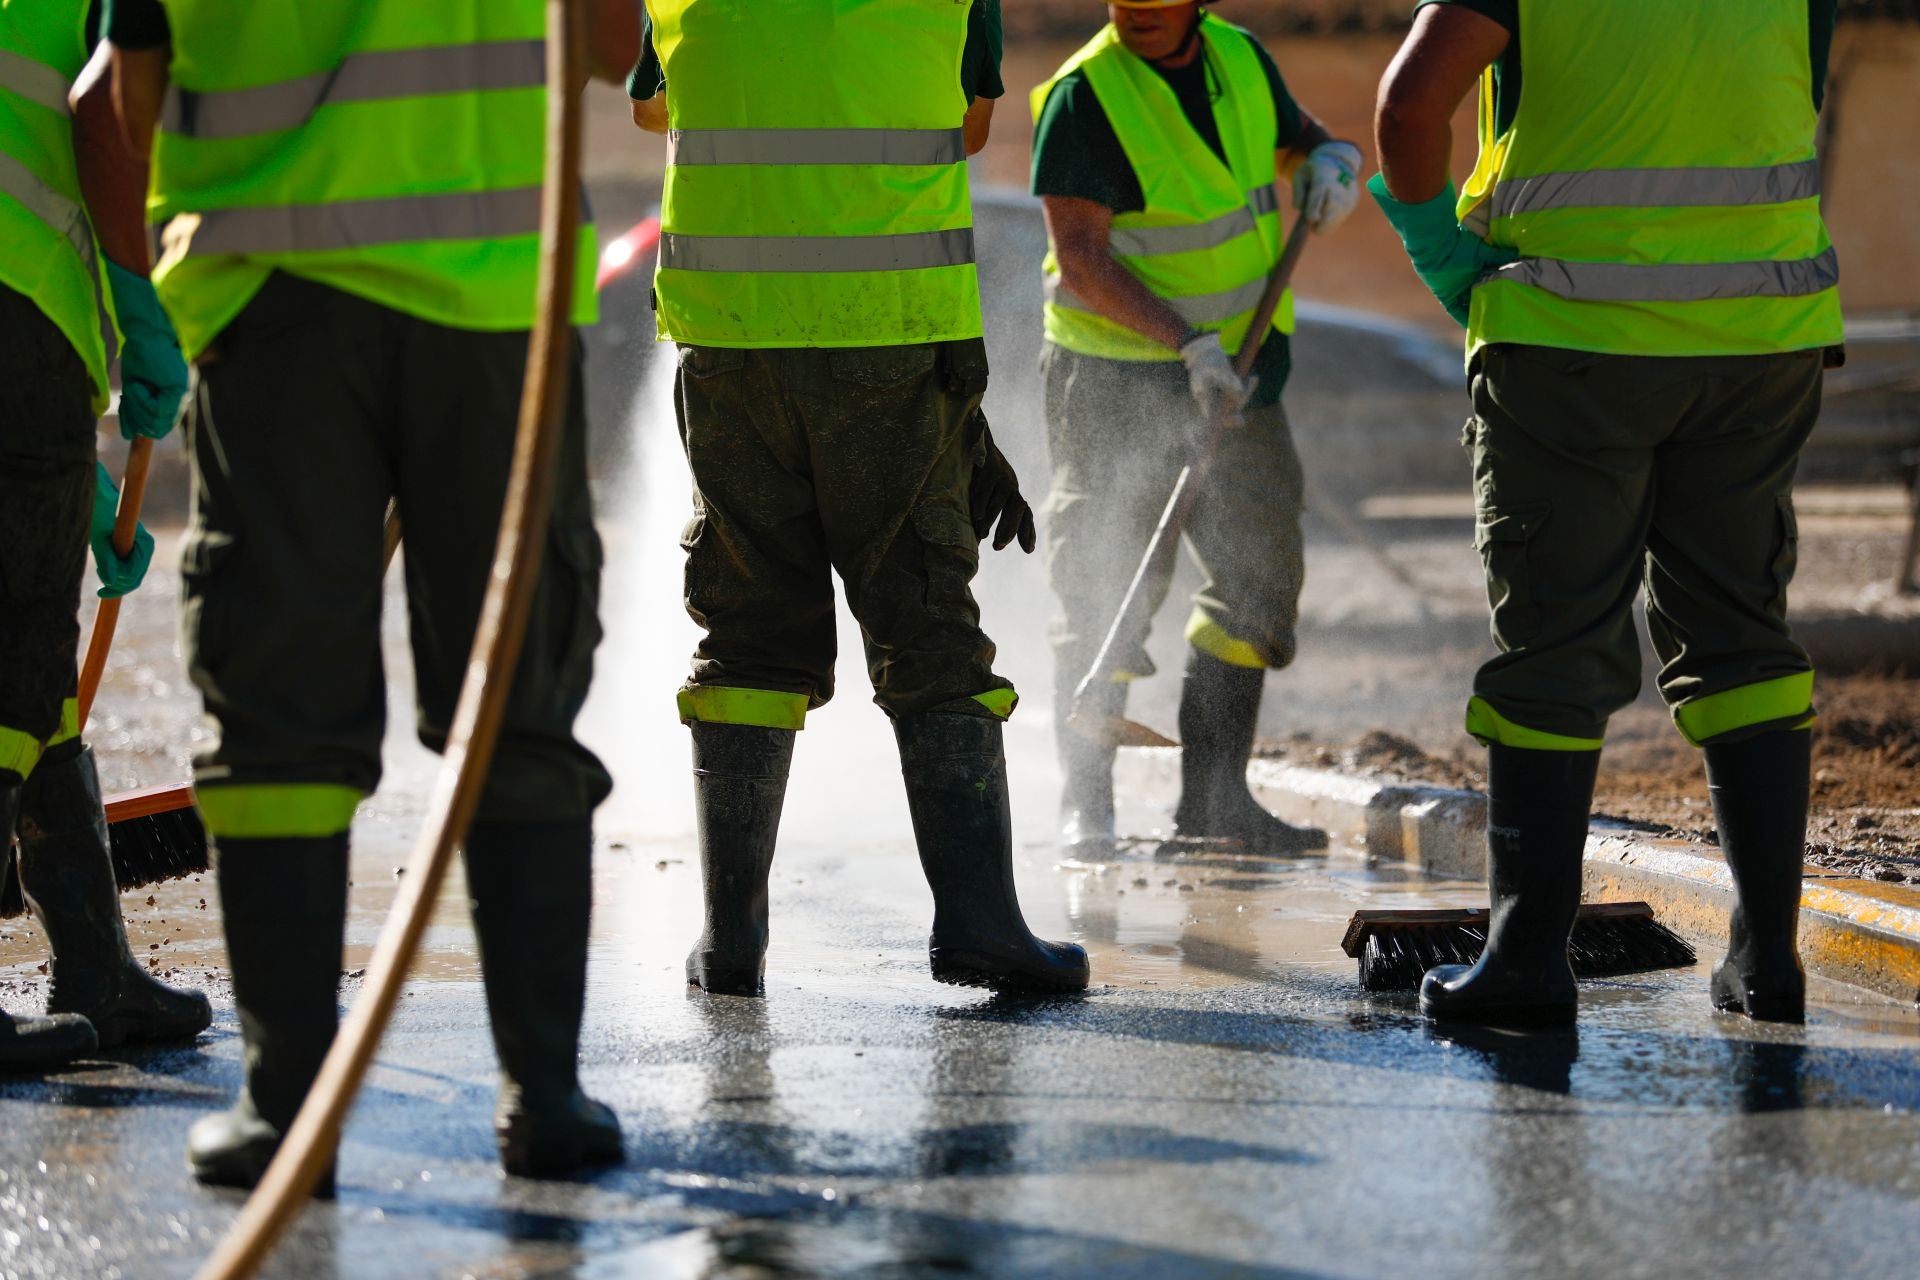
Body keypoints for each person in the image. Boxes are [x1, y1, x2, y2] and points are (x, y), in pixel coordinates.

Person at [105, 0, 640, 1183]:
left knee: (277, 690)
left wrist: (151, 284)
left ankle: (287, 1106)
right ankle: (543, 1096)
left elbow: (128, 95)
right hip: (496, 307)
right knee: (516, 683)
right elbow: (612, 45)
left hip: (274, 302)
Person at [1371, 0, 1842, 1026]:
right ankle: (1768, 961)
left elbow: (1411, 106)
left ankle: (1528, 959)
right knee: (1741, 637)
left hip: (1570, 338)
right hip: (1760, 336)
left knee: (1555, 642)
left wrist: (1432, 239)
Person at [629, 0, 1090, 997]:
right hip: (884, 332)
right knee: (926, 617)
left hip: (733, 338)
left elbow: (651, 111)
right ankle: (979, 919)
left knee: (748, 629)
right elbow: (967, 127)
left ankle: (733, 940)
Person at [1031, 1, 1364, 858]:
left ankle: (1215, 804)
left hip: (1242, 378)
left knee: (1258, 579)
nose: (1139, 12)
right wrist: (1186, 342)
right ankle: (1088, 810)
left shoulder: (1240, 58)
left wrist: (1331, 161)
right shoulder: (1085, 96)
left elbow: (1301, 136)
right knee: (1105, 585)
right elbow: (1081, 258)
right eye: (1124, 1)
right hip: (1116, 380)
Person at [0, 0, 210, 1069]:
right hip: (19, 318)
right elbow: (100, 119)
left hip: (22, 338)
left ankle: (94, 968)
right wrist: (138, 315)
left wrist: (70, 477)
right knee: (11, 671)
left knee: (36, 670)